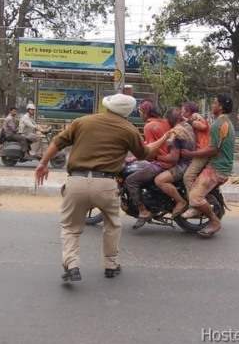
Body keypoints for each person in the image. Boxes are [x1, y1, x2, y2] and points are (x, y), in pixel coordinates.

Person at [34, 94, 170, 282]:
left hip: (76, 181)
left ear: (107, 106)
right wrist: (164, 138)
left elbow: (58, 142)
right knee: (112, 225)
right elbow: (144, 154)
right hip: (106, 184)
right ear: (128, 112)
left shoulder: (82, 122)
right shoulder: (129, 129)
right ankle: (111, 265)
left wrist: (43, 163)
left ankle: (72, 265)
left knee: (70, 227)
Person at [179, 94, 235, 238]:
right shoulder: (224, 121)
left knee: (195, 197)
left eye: (215, 103)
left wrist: (190, 154)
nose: (212, 105)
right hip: (218, 165)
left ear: (221, 106)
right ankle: (197, 207)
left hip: (217, 169)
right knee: (189, 179)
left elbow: (213, 149)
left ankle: (214, 221)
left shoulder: (218, 124)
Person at [124, 99, 172, 229]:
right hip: (169, 160)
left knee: (131, 180)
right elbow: (150, 144)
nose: (140, 114)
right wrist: (134, 156)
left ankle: (143, 210)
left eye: (140, 111)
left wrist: (135, 158)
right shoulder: (164, 122)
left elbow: (150, 151)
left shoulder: (149, 126)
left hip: (160, 163)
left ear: (145, 112)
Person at [154, 107, 196, 217]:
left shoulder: (176, 133)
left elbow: (173, 158)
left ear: (171, 120)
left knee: (159, 180)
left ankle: (180, 201)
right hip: (191, 161)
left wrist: (155, 157)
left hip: (183, 165)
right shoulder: (187, 126)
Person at [181, 101, 210, 199]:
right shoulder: (190, 118)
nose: (182, 113)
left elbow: (203, 126)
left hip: (202, 152)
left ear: (188, 112)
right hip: (198, 151)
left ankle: (194, 204)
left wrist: (188, 120)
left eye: (183, 111)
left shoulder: (196, 116)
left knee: (188, 177)